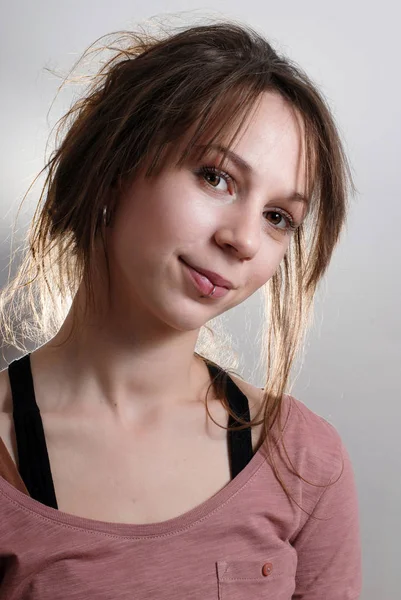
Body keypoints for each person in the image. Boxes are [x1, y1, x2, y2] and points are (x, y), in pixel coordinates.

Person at [0, 17, 361, 599]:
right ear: (119, 166)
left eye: (278, 217)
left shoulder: (303, 461)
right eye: (215, 177)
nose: (243, 239)